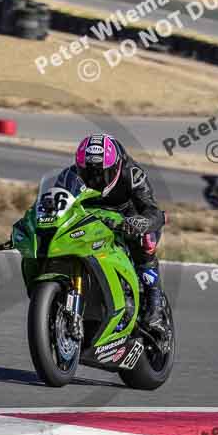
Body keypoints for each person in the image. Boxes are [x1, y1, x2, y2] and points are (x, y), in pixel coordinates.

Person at [72, 134, 166, 332]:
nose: (94, 179)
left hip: (127, 218)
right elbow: (55, 202)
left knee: (145, 241)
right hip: (91, 220)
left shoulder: (132, 173)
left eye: (100, 173)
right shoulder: (70, 176)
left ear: (115, 167)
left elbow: (153, 209)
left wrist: (140, 222)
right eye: (87, 173)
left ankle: (155, 307)